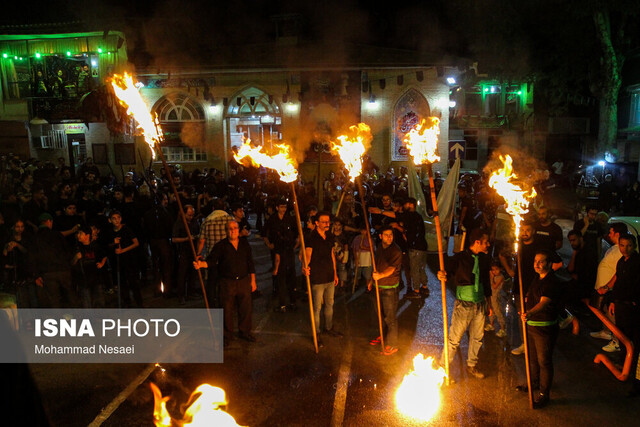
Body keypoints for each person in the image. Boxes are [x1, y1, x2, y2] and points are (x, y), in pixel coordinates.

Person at [438, 228, 492, 380]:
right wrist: (442, 274)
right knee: (454, 339)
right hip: (464, 304)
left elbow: (486, 282)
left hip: (480, 303)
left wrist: (489, 303)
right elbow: (447, 272)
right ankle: (443, 369)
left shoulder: (484, 258)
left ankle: (472, 365)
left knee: (477, 337)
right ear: (477, 242)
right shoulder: (460, 258)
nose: (488, 244)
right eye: (486, 242)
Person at [194, 220, 257, 346]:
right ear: (226, 231)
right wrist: (201, 264)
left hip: (244, 281)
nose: (232, 230)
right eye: (230, 229)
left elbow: (250, 263)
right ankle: (227, 336)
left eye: (234, 228)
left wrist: (253, 281)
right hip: (227, 283)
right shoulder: (221, 246)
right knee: (226, 310)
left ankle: (245, 332)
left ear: (238, 230)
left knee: (245, 308)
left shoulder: (244, 244)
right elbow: (212, 261)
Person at [517, 250, 563, 409]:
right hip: (531, 325)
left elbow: (543, 303)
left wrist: (529, 312)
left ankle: (544, 393)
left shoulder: (552, 282)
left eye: (541, 261)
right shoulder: (536, 278)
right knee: (532, 358)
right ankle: (534, 383)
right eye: (535, 261)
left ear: (549, 264)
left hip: (545, 328)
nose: (537, 264)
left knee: (544, 361)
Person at [599, 234, 640, 397]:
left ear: (634, 245)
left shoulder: (637, 262)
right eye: (622, 245)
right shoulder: (622, 261)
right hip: (622, 305)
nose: (625, 249)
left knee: (636, 344)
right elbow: (618, 281)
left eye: (629, 245)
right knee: (623, 337)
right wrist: (613, 300)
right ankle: (625, 366)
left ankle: (636, 380)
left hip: (634, 308)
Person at [303, 211, 341, 347]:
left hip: (329, 276)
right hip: (317, 277)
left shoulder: (330, 236)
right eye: (323, 221)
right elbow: (307, 254)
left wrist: (335, 273)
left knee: (330, 304)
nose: (327, 224)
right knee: (316, 307)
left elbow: (332, 255)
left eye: (328, 221)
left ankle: (329, 327)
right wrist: (305, 267)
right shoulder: (311, 237)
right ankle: (316, 332)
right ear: (317, 223)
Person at [591, 222, 628, 350]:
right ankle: (606, 333)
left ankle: (617, 341)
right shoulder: (614, 247)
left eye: (611, 232)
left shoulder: (620, 251)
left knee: (612, 315)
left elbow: (619, 272)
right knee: (606, 312)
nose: (609, 234)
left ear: (617, 234)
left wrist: (607, 287)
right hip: (604, 289)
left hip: (611, 290)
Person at [30, 213, 77, 308]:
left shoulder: (35, 238)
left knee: (54, 299)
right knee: (70, 295)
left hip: (47, 272)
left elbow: (32, 258)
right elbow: (68, 251)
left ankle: (57, 321)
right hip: (63, 270)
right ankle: (77, 318)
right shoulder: (57, 235)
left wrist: (36, 275)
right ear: (49, 221)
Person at [370, 226, 402, 355]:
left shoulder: (396, 251)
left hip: (390, 288)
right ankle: (383, 337)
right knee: (381, 316)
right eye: (386, 235)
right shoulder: (379, 247)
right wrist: (370, 280)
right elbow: (377, 265)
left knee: (390, 317)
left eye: (391, 235)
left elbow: (391, 269)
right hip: (377, 286)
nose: (389, 237)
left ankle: (392, 344)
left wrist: (381, 275)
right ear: (380, 236)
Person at [107, 210, 142, 307]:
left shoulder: (126, 229)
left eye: (118, 218)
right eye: (114, 218)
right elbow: (108, 246)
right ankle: (128, 303)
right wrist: (114, 244)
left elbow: (136, 243)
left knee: (134, 284)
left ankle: (140, 305)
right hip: (118, 263)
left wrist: (124, 250)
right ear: (110, 220)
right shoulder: (110, 232)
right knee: (122, 285)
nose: (117, 220)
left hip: (129, 261)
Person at [72, 226, 107, 308]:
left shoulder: (95, 246)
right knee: (86, 302)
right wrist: (76, 257)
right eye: (78, 233)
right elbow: (72, 263)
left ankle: (100, 318)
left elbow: (104, 255)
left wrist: (102, 263)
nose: (78, 235)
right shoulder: (77, 248)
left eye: (81, 233)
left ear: (87, 235)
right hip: (83, 280)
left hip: (96, 278)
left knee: (99, 300)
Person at [401, 198, 429, 297]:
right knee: (421, 268)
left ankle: (416, 290)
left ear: (411, 205)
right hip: (422, 246)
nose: (404, 206)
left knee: (414, 269)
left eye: (405, 204)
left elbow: (411, 232)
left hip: (415, 247)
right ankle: (424, 287)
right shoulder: (418, 216)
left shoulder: (410, 216)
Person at [172, 205, 200, 304]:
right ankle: (181, 295)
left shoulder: (194, 222)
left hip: (193, 251)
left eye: (192, 215)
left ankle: (191, 292)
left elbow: (198, 233)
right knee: (182, 274)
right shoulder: (179, 223)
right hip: (183, 251)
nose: (191, 217)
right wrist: (186, 239)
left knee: (193, 273)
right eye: (189, 215)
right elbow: (174, 239)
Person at [485, 260, 508, 338]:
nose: (494, 272)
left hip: (497, 297)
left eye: (496, 269)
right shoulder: (494, 276)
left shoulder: (501, 277)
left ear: (500, 269)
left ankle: (503, 328)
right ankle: (491, 324)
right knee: (491, 310)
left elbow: (495, 286)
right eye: (493, 270)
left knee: (498, 311)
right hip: (492, 296)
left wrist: (491, 278)